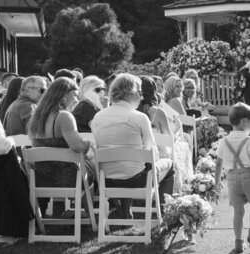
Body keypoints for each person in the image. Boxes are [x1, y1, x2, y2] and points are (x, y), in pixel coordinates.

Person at [91, 73, 175, 219]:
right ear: (129, 93)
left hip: (107, 180)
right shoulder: (140, 117)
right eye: (140, 93)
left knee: (129, 166)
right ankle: (166, 215)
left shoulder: (98, 117)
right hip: (138, 180)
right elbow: (152, 152)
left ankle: (125, 209)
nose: (142, 98)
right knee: (169, 166)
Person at [27, 78, 94, 217]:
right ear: (64, 95)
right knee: (93, 168)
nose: (76, 99)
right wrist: (88, 143)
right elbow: (78, 147)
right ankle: (89, 215)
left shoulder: (37, 117)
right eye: (74, 95)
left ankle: (53, 216)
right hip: (68, 178)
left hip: (40, 178)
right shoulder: (63, 116)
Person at [214, 102, 250, 254]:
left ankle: (238, 242)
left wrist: (217, 181)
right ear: (245, 122)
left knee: (238, 212)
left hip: (232, 179)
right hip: (248, 177)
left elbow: (218, 163)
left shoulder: (223, 141)